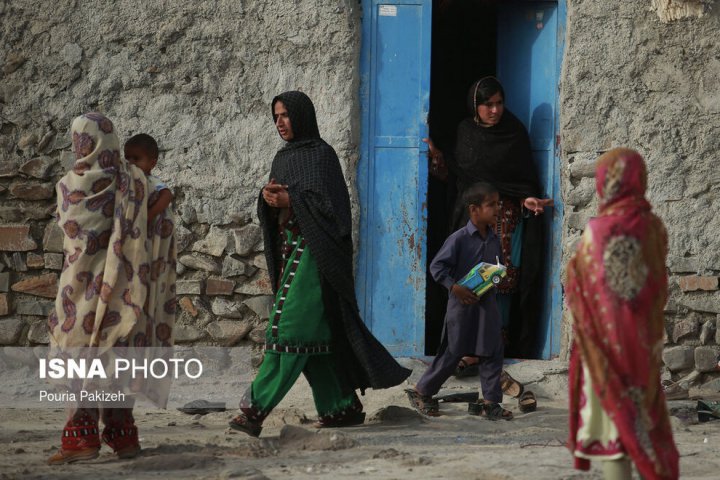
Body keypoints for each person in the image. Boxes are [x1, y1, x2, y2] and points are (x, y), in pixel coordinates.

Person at [229, 91, 411, 437]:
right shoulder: (283, 158)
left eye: (285, 115)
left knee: (289, 331)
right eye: (276, 116)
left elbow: (335, 214)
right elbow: (279, 207)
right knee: (315, 337)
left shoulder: (322, 156)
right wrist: (269, 199)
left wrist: (292, 199)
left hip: (317, 257)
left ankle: (253, 411)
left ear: (302, 116)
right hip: (291, 251)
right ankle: (340, 407)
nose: (280, 122)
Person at [46, 113, 176, 464]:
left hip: (79, 293)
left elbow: (72, 238)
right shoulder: (134, 181)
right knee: (118, 361)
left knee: (80, 360)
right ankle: (123, 438)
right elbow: (162, 222)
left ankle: (81, 441)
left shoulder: (66, 186)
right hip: (125, 297)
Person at [566, 148, 679, 480]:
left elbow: (583, 287)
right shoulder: (655, 228)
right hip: (643, 347)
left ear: (604, 183)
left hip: (604, 352)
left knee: (614, 433)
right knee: (644, 420)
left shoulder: (598, 231)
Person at [425, 76, 553, 362]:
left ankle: (496, 347)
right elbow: (456, 177)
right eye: (488, 105)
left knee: (502, 284)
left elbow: (522, 181)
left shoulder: (514, 133)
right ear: (475, 106)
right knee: (472, 283)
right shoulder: (465, 132)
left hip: (507, 222)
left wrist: (525, 199)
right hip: (471, 223)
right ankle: (467, 348)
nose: (495, 111)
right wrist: (438, 160)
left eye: (499, 104)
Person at [405, 182, 512, 420]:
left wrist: (498, 278)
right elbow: (437, 266)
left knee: (492, 351)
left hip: (487, 305)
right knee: (452, 352)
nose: (497, 209)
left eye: (498, 204)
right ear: (474, 210)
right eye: (491, 205)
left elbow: (497, 266)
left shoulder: (494, 239)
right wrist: (455, 287)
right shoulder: (459, 239)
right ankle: (422, 391)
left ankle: (491, 402)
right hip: (461, 305)